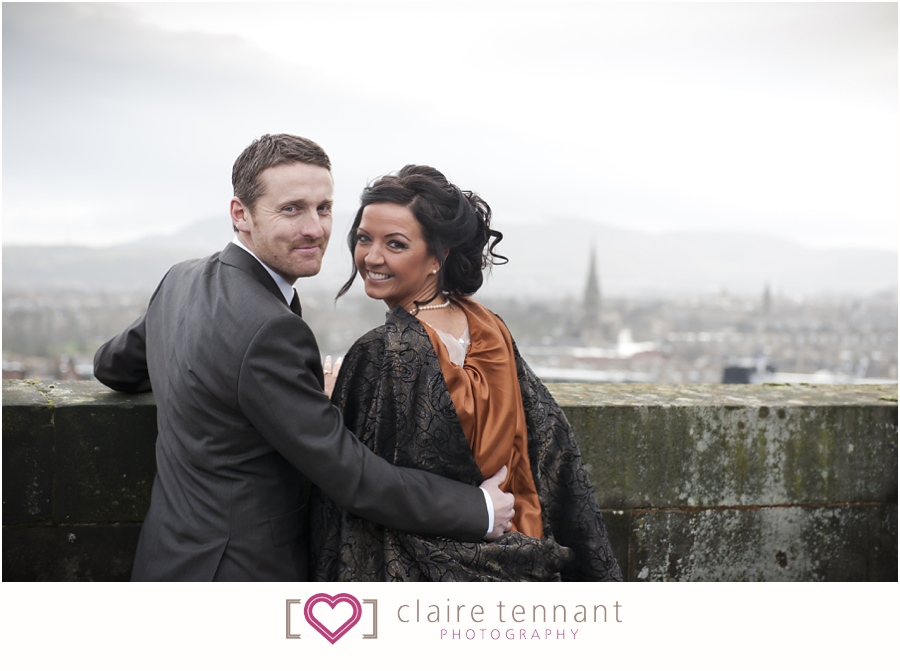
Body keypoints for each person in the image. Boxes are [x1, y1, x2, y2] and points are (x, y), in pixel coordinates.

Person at [93, 134, 514, 581]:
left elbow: (112, 367)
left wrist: (249, 390)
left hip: (167, 557)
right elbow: (348, 473)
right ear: (242, 214)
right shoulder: (268, 329)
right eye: (292, 209)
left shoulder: (180, 280)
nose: (315, 228)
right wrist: (478, 509)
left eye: (324, 208)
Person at [310, 165, 623, 581]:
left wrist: (333, 403)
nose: (372, 257)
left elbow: (355, 480)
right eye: (364, 238)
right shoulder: (488, 327)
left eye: (396, 244)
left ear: (438, 256)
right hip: (517, 551)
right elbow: (543, 441)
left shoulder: (383, 352)